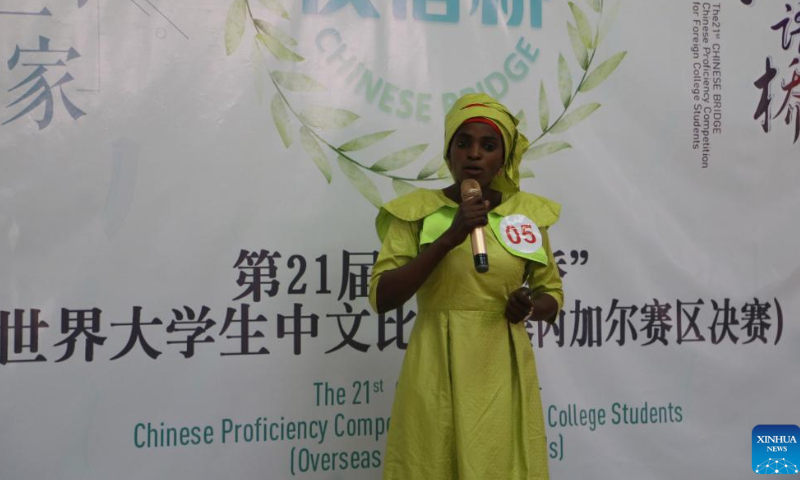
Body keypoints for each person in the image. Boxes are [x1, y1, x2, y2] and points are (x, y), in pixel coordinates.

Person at [368, 93, 563, 480]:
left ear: (502, 157)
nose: (474, 155)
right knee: (431, 463)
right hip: (436, 362)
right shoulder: (416, 213)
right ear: (449, 151)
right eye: (464, 143)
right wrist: (449, 237)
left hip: (501, 367)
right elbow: (383, 296)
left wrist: (528, 306)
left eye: (488, 146)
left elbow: (551, 295)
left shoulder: (524, 216)